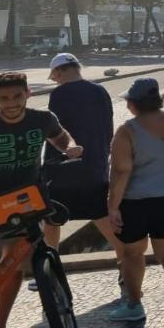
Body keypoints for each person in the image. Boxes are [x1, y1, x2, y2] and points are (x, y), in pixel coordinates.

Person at [0, 72, 84, 328]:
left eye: (16, 96)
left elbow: (60, 137)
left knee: (13, 268)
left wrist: (69, 148)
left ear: (27, 95)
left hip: (26, 201)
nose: (11, 103)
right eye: (3, 98)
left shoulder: (42, 119)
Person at [107, 78, 164, 324]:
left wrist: (113, 206)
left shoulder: (127, 130)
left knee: (132, 254)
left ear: (133, 103)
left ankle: (134, 304)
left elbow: (120, 171)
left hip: (136, 199)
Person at [41, 54, 124, 270]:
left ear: (59, 72)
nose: (56, 81)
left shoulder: (59, 95)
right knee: (100, 214)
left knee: (52, 219)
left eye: (55, 77)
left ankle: (52, 267)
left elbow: (57, 133)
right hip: (96, 163)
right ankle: (126, 261)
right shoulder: (100, 91)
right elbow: (108, 127)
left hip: (65, 167)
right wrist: (103, 155)